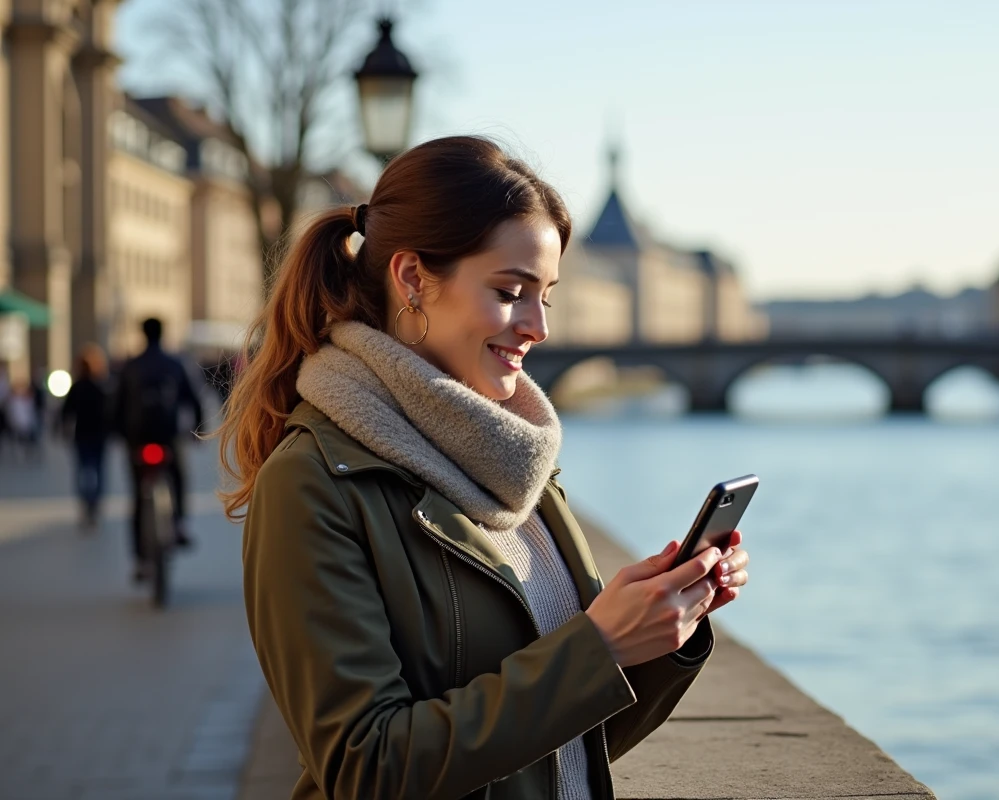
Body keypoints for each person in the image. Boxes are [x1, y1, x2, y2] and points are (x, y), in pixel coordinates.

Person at [219, 136, 752, 800]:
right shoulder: (313, 484)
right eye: (511, 291)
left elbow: (565, 745)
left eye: (546, 297)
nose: (538, 327)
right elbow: (365, 768)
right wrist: (598, 648)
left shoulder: (517, 465)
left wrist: (664, 632)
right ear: (413, 280)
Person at [113, 317, 204, 579]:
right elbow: (194, 400)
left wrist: (121, 436)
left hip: (138, 439)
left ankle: (141, 560)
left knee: (138, 497)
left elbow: (117, 404)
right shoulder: (175, 364)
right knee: (178, 477)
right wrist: (197, 430)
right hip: (168, 437)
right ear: (162, 334)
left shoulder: (130, 366)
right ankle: (180, 524)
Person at [60, 344, 112, 527]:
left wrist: (64, 430)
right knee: (97, 469)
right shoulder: (102, 387)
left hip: (83, 434)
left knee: (84, 470)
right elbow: (110, 412)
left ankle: (87, 503)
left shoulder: (78, 387)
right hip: (98, 435)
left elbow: (66, 412)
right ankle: (94, 503)